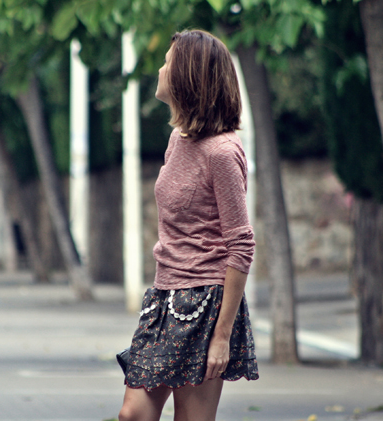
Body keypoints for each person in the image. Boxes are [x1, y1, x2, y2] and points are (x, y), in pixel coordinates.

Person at [118, 29, 258, 421]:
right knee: (133, 414)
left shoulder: (222, 152)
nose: (160, 69)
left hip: (205, 303)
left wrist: (222, 336)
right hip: (164, 298)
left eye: (167, 63)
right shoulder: (178, 139)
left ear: (187, 76)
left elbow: (241, 246)